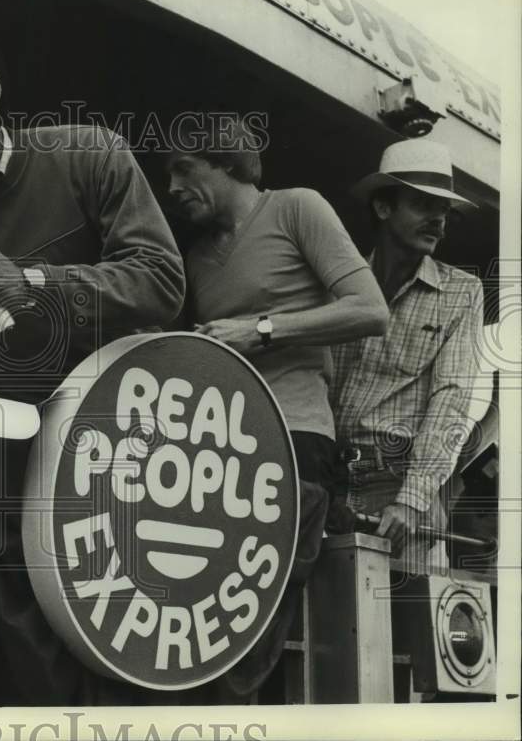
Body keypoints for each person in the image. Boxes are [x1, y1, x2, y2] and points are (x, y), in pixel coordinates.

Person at [0, 20, 185, 705]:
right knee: (34, 652)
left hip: (129, 448)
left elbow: (162, 282)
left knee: (135, 633)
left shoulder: (88, 154)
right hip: (8, 462)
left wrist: (38, 284)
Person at [165, 121, 389, 697]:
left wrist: (259, 330)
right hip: (221, 446)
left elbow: (370, 310)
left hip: (295, 438)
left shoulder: (296, 208)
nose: (170, 186)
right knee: (206, 607)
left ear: (228, 163)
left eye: (182, 168)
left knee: (257, 613)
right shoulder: (193, 256)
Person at [331, 138, 484, 565]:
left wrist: (413, 498)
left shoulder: (461, 292)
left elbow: (451, 400)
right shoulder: (338, 284)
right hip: (326, 482)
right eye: (423, 205)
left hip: (397, 484)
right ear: (383, 208)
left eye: (444, 211)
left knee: (403, 624)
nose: (439, 220)